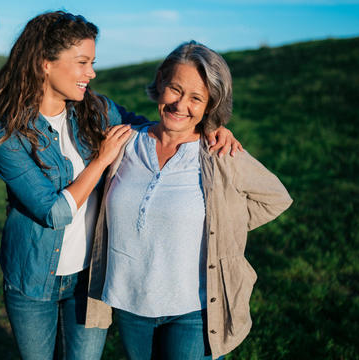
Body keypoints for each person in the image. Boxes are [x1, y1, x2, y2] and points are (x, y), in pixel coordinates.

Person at [0, 11, 242, 360]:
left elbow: (156, 129)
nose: (92, 73)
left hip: (90, 278)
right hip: (33, 279)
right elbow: (54, 212)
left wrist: (211, 130)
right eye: (82, 62)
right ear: (45, 64)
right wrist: (100, 160)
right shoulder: (7, 136)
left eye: (92, 62)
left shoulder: (95, 110)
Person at [85, 41, 293, 359]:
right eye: (175, 89)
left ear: (210, 105)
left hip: (192, 308)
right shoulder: (125, 143)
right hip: (129, 300)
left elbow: (275, 198)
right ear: (160, 83)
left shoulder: (218, 152)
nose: (181, 105)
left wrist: (224, 220)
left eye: (196, 98)